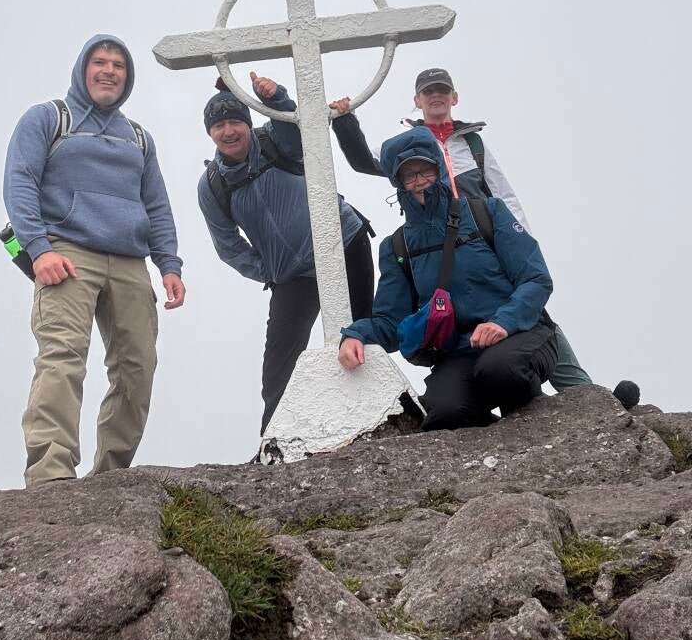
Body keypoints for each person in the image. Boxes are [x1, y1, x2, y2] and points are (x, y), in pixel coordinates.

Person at [330, 67, 639, 408]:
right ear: (417, 100)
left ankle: (592, 401)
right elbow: (364, 161)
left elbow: (502, 192)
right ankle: (498, 399)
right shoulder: (409, 147)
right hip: (436, 248)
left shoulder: (472, 143)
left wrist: (520, 242)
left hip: (486, 240)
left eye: (442, 90)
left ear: (454, 97)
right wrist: (344, 121)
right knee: (484, 344)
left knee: (529, 317)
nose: (436, 96)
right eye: (429, 91)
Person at [3, 34, 185, 487]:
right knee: (62, 357)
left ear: (127, 77)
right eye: (100, 62)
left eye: (118, 66)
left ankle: (109, 478)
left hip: (129, 262)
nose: (109, 71)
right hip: (66, 253)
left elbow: (156, 205)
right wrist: (39, 250)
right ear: (83, 68)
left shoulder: (138, 139)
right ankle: (50, 475)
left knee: (138, 368)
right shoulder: (49, 118)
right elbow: (19, 182)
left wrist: (169, 265)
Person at [338, 127, 558, 429]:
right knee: (444, 414)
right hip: (458, 352)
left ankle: (535, 425)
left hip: (520, 333)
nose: (419, 181)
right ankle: (497, 439)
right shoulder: (397, 247)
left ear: (439, 169)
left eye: (425, 170)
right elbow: (390, 322)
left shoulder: (486, 212)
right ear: (398, 183)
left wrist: (503, 322)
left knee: (499, 370)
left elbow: (536, 278)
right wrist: (355, 335)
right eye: (408, 175)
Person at [197, 72, 374, 434]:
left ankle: (374, 422)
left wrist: (275, 97)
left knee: (362, 336)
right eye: (219, 126)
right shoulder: (212, 185)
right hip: (293, 277)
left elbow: (298, 129)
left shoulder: (275, 140)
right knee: (279, 369)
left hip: (345, 244)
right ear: (210, 133)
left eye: (235, 122)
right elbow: (228, 246)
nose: (228, 131)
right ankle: (276, 442)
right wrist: (269, 270)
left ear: (248, 123)